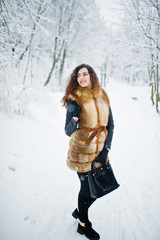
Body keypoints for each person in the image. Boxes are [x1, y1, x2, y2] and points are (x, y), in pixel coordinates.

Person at [62, 64, 114, 240]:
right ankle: (83, 225)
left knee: (100, 187)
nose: (81, 77)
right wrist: (74, 118)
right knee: (86, 189)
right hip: (82, 152)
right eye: (78, 75)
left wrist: (106, 149)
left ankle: (79, 211)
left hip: (99, 151)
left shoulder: (103, 95)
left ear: (91, 75)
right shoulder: (74, 98)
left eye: (85, 74)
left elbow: (111, 125)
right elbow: (68, 131)